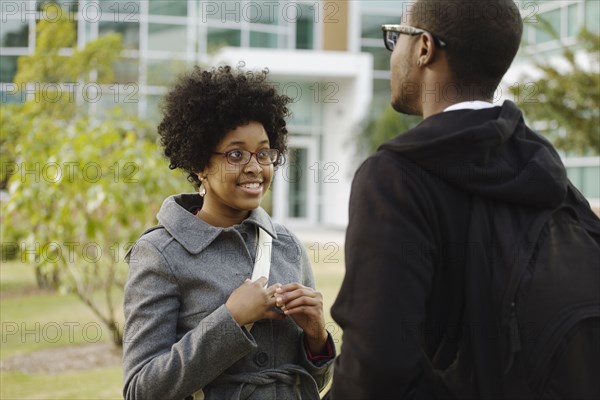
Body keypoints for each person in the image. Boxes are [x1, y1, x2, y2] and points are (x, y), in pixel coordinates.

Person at [329, 1, 599, 399]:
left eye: (395, 37)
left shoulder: (394, 178)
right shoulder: (547, 173)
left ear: (424, 48)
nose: (394, 53)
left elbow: (374, 373)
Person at [122, 65, 335, 400]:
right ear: (199, 164)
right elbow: (141, 389)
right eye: (236, 154)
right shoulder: (160, 253)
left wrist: (316, 337)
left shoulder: (287, 246)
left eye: (264, 153)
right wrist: (231, 318)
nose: (255, 166)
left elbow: (310, 384)